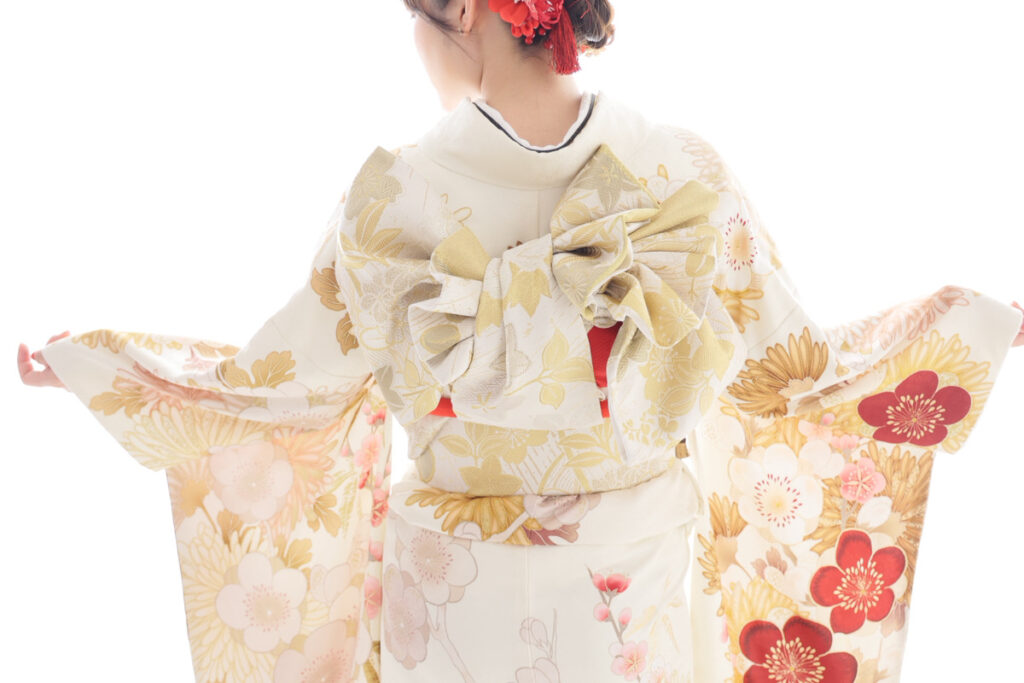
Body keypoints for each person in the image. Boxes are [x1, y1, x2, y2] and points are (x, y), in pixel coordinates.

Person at [17, 1, 1024, 681]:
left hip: (449, 609)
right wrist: (974, 330)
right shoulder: (679, 173)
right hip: (627, 606)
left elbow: (279, 387)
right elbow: (793, 375)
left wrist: (106, 368)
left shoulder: (396, 196)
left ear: (463, 12)